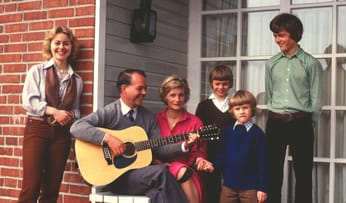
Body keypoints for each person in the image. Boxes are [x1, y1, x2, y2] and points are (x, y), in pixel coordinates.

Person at [70, 69, 189, 203]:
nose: (144, 93)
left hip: (139, 177)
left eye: (145, 88)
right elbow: (77, 127)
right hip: (113, 178)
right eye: (140, 88)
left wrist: (183, 145)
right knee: (161, 172)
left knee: (158, 194)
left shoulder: (148, 117)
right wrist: (108, 139)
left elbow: (159, 148)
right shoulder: (111, 112)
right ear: (124, 88)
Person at [19, 26, 84, 203]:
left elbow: (77, 109)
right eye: (57, 43)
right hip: (37, 130)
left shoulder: (77, 80)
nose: (61, 47)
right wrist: (55, 111)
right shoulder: (37, 71)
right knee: (30, 188)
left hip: (62, 135)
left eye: (66, 43)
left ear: (71, 47)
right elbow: (29, 102)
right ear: (50, 45)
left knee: (52, 189)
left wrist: (69, 115)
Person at [265, 13, 323, 203]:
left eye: (280, 35)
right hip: (275, 123)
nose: (277, 40)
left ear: (294, 34)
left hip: (301, 123)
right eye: (275, 35)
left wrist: (308, 123)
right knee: (272, 173)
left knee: (304, 174)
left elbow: (316, 99)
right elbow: (270, 94)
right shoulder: (271, 64)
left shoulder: (311, 63)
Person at [155, 75, 214, 203]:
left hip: (187, 172)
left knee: (182, 171)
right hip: (160, 170)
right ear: (165, 96)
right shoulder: (155, 120)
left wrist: (201, 161)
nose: (177, 99)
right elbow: (151, 149)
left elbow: (200, 152)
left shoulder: (195, 122)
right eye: (172, 95)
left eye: (181, 95)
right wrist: (160, 164)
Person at [210, 90, 267, 203]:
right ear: (232, 111)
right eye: (237, 109)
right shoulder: (228, 132)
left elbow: (263, 163)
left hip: (250, 188)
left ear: (252, 109)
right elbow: (222, 155)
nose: (241, 112)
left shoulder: (257, 134)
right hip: (228, 186)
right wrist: (213, 166)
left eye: (245, 107)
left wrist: (262, 188)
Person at [195, 64, 235, 203]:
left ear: (230, 84)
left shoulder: (234, 105)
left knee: (232, 188)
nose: (221, 87)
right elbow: (199, 132)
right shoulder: (204, 106)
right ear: (211, 83)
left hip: (230, 153)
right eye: (217, 83)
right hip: (210, 153)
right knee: (211, 188)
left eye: (225, 84)